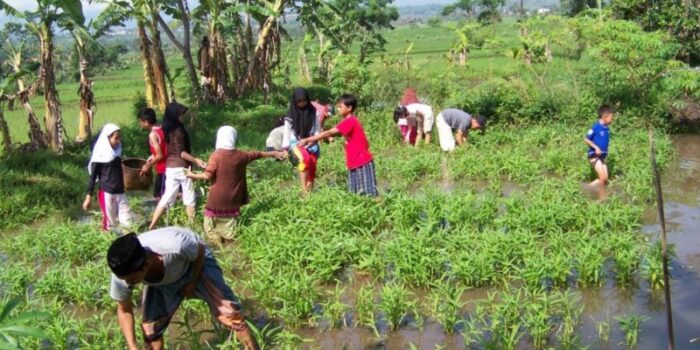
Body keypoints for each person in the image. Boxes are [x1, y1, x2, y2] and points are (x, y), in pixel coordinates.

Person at [106, 227, 258, 350]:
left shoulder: (175, 246)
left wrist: (192, 282)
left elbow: (199, 250)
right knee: (151, 330)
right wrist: (132, 346)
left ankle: (252, 346)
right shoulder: (123, 272)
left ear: (145, 265)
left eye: (132, 280)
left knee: (230, 312)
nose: (129, 283)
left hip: (195, 262)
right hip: (159, 281)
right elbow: (124, 310)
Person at [186, 126, 285, 246]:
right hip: (233, 199)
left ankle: (217, 245)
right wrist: (274, 153)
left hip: (216, 200)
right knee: (230, 232)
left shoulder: (216, 156)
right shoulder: (242, 155)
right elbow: (258, 154)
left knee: (210, 229)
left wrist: (192, 175)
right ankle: (230, 246)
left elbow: (207, 176)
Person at [298, 94, 378, 197]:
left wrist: (307, 139)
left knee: (370, 194)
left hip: (362, 162)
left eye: (340, 106)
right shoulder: (347, 121)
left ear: (349, 108)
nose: (338, 108)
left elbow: (328, 133)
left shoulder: (351, 121)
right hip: (354, 163)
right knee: (356, 195)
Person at [149, 103, 207, 230]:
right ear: (175, 115)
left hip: (170, 168)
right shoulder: (179, 130)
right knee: (189, 197)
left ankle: (152, 225)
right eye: (181, 114)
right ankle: (191, 227)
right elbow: (181, 152)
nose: (183, 117)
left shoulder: (167, 129)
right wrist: (196, 160)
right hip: (182, 168)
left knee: (166, 197)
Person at [83, 123, 133, 231]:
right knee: (110, 224)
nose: (119, 141)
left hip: (120, 191)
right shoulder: (100, 156)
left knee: (128, 222)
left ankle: (128, 244)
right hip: (107, 192)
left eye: (120, 137)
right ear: (107, 139)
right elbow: (93, 178)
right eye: (116, 138)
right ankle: (109, 244)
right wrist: (88, 197)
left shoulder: (117, 153)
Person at [282, 88, 321, 194]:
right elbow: (287, 132)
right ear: (294, 101)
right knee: (305, 160)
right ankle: (304, 190)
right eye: (299, 101)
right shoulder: (290, 116)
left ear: (307, 100)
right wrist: (285, 148)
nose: (302, 103)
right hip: (296, 141)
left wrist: (314, 140)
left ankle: (310, 188)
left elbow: (317, 128)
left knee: (313, 163)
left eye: (304, 100)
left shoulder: (313, 112)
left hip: (311, 140)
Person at [137, 108, 167, 200]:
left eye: (140, 121)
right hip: (170, 165)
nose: (140, 124)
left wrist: (148, 165)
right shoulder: (162, 128)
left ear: (146, 122)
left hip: (163, 169)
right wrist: (152, 156)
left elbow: (160, 155)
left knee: (159, 196)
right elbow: (164, 147)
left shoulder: (153, 135)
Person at [585, 104, 614, 187]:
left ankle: (588, 188)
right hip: (594, 155)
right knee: (602, 178)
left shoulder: (606, 128)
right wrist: (596, 147)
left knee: (605, 179)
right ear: (605, 117)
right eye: (611, 117)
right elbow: (586, 139)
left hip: (602, 156)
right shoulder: (596, 127)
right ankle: (601, 198)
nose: (612, 119)